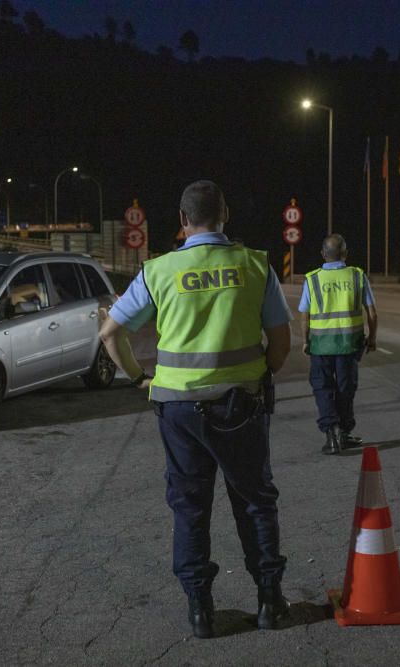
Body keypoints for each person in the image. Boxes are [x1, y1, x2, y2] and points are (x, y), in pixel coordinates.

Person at [99, 180, 292, 639]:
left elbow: (110, 334)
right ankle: (269, 602)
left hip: (178, 409)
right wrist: (259, 374)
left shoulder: (158, 271)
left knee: (189, 506)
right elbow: (282, 344)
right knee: (254, 502)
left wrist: (137, 376)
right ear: (225, 215)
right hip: (241, 404)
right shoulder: (255, 265)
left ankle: (201, 610)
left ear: (183, 221)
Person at [299, 233, 377, 455]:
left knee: (322, 388)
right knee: (345, 389)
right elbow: (372, 312)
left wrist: (305, 341)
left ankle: (331, 432)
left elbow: (305, 315)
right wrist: (372, 338)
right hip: (349, 344)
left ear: (323, 254)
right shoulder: (357, 276)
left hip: (321, 346)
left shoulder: (313, 278)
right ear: (345, 254)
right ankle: (343, 432)